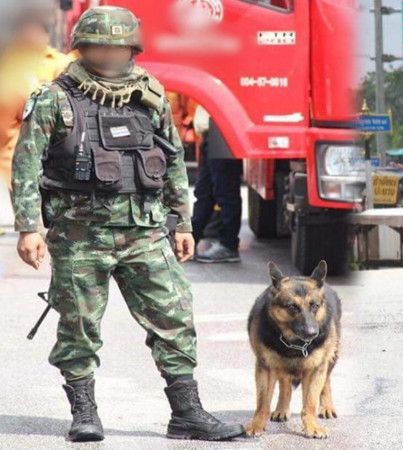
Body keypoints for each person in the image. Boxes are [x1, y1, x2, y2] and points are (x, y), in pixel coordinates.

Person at [11, 7, 244, 442]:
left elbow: (173, 161)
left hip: (145, 232)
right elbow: (26, 165)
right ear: (82, 46)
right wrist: (28, 227)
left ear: (131, 48)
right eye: (100, 44)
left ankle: (187, 413)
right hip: (81, 235)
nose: (110, 52)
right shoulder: (53, 99)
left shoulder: (150, 95)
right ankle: (84, 413)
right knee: (79, 327)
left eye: (118, 45)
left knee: (174, 318)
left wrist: (183, 224)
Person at [0, 1, 74, 235]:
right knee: (19, 179)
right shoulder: (11, 61)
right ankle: (27, 225)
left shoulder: (60, 62)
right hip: (14, 137)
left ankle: (44, 223)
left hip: (49, 134)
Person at [190, 110, 243, 263]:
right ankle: (192, 238)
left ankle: (229, 245)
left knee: (225, 190)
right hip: (211, 130)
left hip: (224, 129)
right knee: (204, 191)